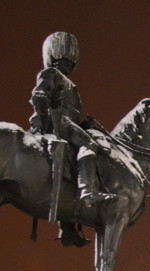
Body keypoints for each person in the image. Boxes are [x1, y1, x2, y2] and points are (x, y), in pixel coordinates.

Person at [29, 32, 115, 206]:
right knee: (89, 144)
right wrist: (39, 116)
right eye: (64, 59)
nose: (69, 63)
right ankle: (87, 190)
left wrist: (84, 125)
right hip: (59, 122)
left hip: (67, 123)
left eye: (70, 60)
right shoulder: (51, 73)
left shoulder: (70, 84)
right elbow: (39, 95)